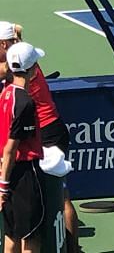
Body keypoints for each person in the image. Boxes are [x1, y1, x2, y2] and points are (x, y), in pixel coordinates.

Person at [0, 23, 79, 253]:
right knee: (18, 229)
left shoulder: (18, 67)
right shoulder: (22, 58)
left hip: (48, 132)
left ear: (4, 45)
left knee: (60, 197)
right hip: (33, 136)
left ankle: (73, 249)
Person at [0, 41, 45, 253]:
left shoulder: (5, 93)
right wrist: (4, 185)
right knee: (30, 237)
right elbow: (11, 147)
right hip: (23, 174)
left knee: (11, 234)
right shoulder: (25, 102)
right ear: (33, 69)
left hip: (6, 171)